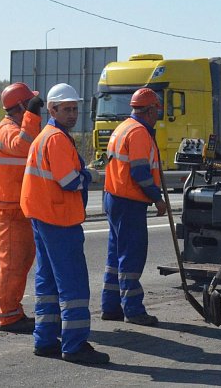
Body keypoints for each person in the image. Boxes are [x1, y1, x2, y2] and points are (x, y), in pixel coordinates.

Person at [20, 83, 108, 366]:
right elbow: (69, 181)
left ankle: (45, 339)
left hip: (43, 217)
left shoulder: (44, 137)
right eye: (66, 109)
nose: (72, 114)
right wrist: (90, 176)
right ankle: (75, 345)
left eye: (74, 109)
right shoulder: (56, 139)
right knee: (74, 285)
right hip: (59, 219)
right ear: (52, 109)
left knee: (47, 282)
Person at [101, 87, 167, 326]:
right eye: (156, 111)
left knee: (115, 256)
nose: (157, 116)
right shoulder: (139, 133)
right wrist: (157, 198)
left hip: (113, 198)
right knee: (131, 256)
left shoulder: (123, 128)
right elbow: (139, 172)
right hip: (129, 201)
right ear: (149, 111)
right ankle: (133, 310)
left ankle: (111, 306)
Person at [0, 82, 43, 334]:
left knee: (22, 263)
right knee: (12, 265)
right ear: (22, 106)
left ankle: (14, 311)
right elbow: (23, 145)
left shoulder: (18, 128)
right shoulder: (6, 130)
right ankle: (8, 316)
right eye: (30, 105)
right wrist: (32, 115)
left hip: (21, 208)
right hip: (9, 211)